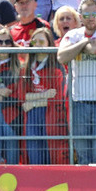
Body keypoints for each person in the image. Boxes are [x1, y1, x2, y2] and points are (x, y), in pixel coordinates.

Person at [57, 0, 96, 164]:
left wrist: (78, 47)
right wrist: (84, 41)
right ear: (80, 17)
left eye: (94, 14)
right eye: (86, 14)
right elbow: (62, 56)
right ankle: (85, 189)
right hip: (79, 100)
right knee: (82, 150)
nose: (91, 17)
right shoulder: (73, 34)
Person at [21, 28, 69, 165]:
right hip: (30, 115)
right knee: (34, 154)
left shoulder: (57, 67)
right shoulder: (26, 67)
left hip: (51, 116)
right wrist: (44, 95)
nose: (37, 45)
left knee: (51, 155)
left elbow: (56, 97)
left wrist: (34, 102)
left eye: (41, 41)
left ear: (49, 43)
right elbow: (22, 97)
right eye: (34, 41)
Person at [0, 28, 21, 164]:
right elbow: (4, 92)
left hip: (11, 115)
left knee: (12, 151)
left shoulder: (17, 67)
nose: (3, 45)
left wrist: (1, 94)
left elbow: (13, 92)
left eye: (7, 42)